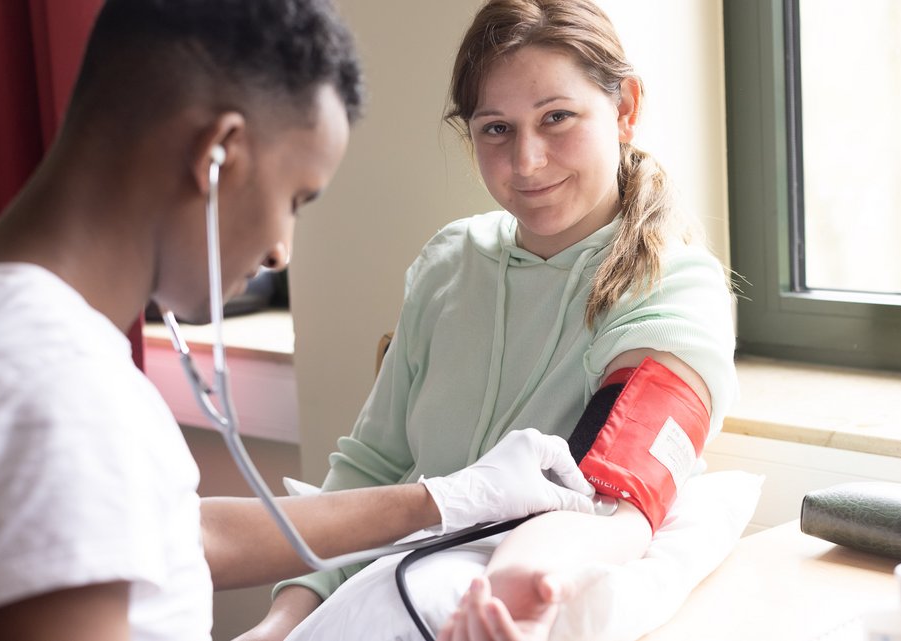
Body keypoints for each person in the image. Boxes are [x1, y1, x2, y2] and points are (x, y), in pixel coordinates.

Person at [0, 1, 599, 640]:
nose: (278, 248)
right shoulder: (51, 395)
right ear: (218, 154)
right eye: (297, 197)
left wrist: (449, 497)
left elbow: (181, 534)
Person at [241, 0, 738, 639]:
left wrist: (513, 583)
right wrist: (280, 624)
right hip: (376, 600)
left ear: (625, 108)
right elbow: (371, 468)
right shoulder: (451, 262)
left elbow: (618, 499)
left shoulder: (673, 287)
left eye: (557, 117)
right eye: (495, 128)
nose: (527, 160)